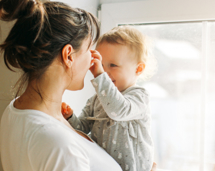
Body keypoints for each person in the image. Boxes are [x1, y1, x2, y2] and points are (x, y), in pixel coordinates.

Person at [0, 0, 122, 170]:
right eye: (88, 48)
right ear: (68, 55)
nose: (94, 57)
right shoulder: (59, 145)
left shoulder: (15, 110)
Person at [62, 26, 155, 171]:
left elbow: (117, 110)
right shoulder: (96, 99)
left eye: (113, 65)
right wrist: (69, 117)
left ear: (138, 69)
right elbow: (81, 129)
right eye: (100, 64)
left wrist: (99, 75)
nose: (104, 71)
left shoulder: (139, 96)